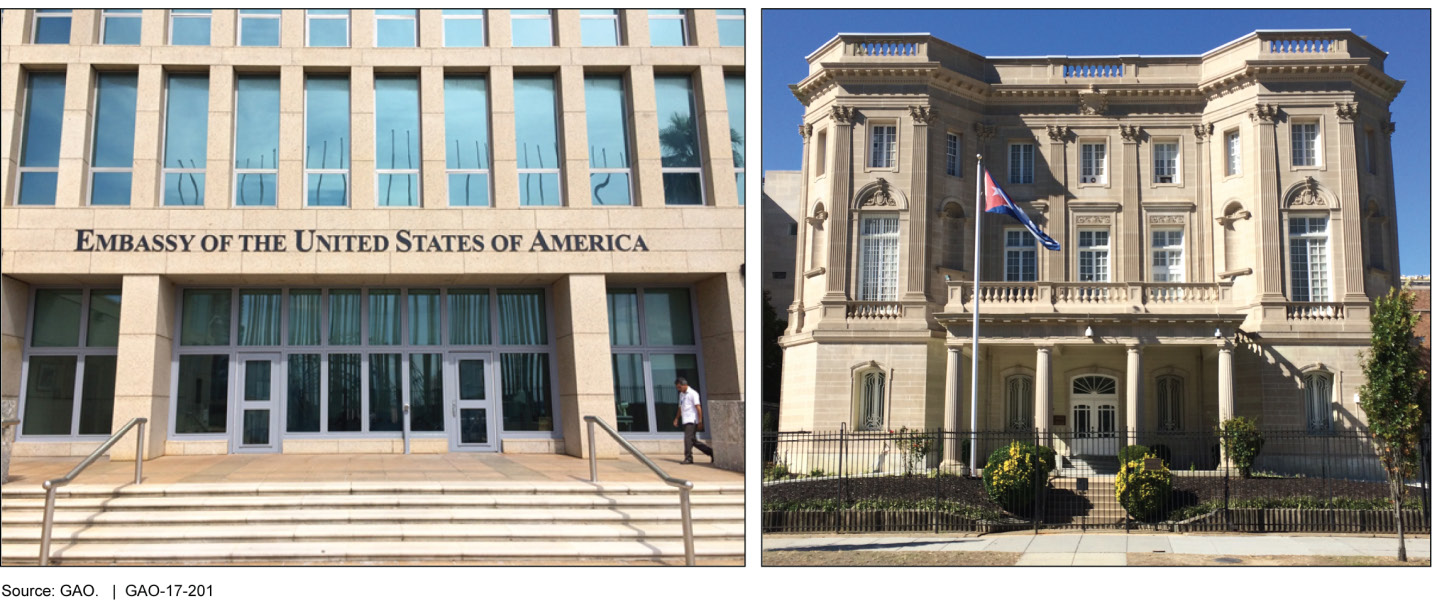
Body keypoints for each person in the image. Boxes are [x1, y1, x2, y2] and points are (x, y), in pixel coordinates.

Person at [671, 377, 713, 464]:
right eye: (677, 388)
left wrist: (700, 421)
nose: (679, 389)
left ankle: (688, 458)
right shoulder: (681, 394)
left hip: (692, 420)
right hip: (685, 419)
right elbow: (680, 407)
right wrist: (676, 418)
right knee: (693, 441)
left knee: (687, 439)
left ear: (685, 385)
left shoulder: (693, 393)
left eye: (679, 387)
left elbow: (698, 407)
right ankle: (711, 452)